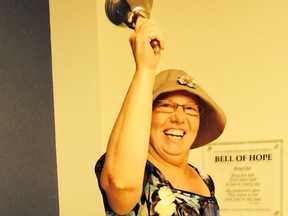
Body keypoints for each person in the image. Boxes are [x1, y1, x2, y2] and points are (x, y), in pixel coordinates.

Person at [95, 17, 226, 216]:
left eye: (190, 109)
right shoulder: (139, 174)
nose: (179, 118)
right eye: (166, 106)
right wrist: (145, 69)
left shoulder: (204, 179)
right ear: (146, 116)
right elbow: (120, 184)